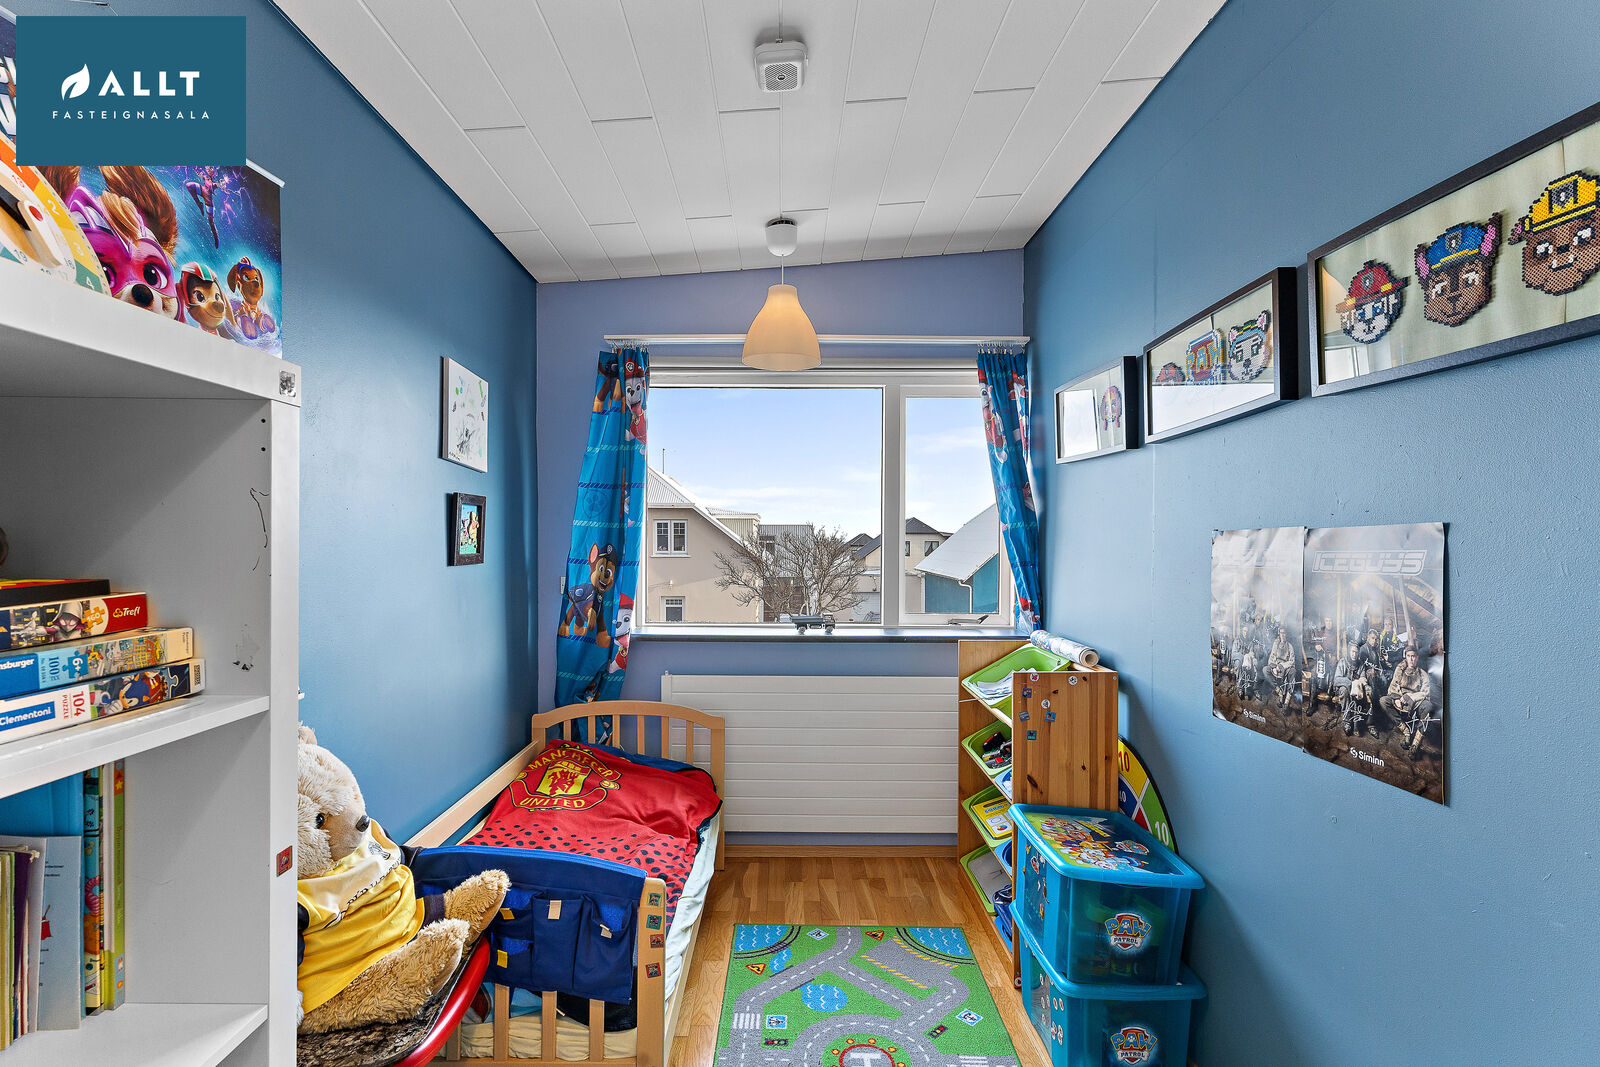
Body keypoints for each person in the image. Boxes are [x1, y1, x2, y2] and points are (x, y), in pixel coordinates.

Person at [1380, 647, 1435, 751]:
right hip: (1400, 700)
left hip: (1415, 703)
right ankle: (1405, 731)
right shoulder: (1400, 670)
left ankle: (1415, 743)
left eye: (1413, 656)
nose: (1411, 659)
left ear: (1417, 658)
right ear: (1405, 657)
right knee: (1383, 701)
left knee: (1428, 706)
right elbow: (1393, 685)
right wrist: (1396, 698)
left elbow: (1425, 692)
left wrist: (1410, 697)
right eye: (1408, 656)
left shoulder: (1422, 674)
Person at [1266, 627, 1296, 707]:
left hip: (1285, 667)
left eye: (1284, 633)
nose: (1282, 635)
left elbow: (1292, 661)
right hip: (1276, 667)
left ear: (1286, 634)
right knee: (1265, 670)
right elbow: (1271, 657)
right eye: (1281, 633)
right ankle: (1279, 692)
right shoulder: (1276, 644)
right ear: (1279, 634)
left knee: (1293, 671)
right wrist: (1273, 667)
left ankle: (1287, 701)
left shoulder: (1290, 646)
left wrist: (1282, 666)